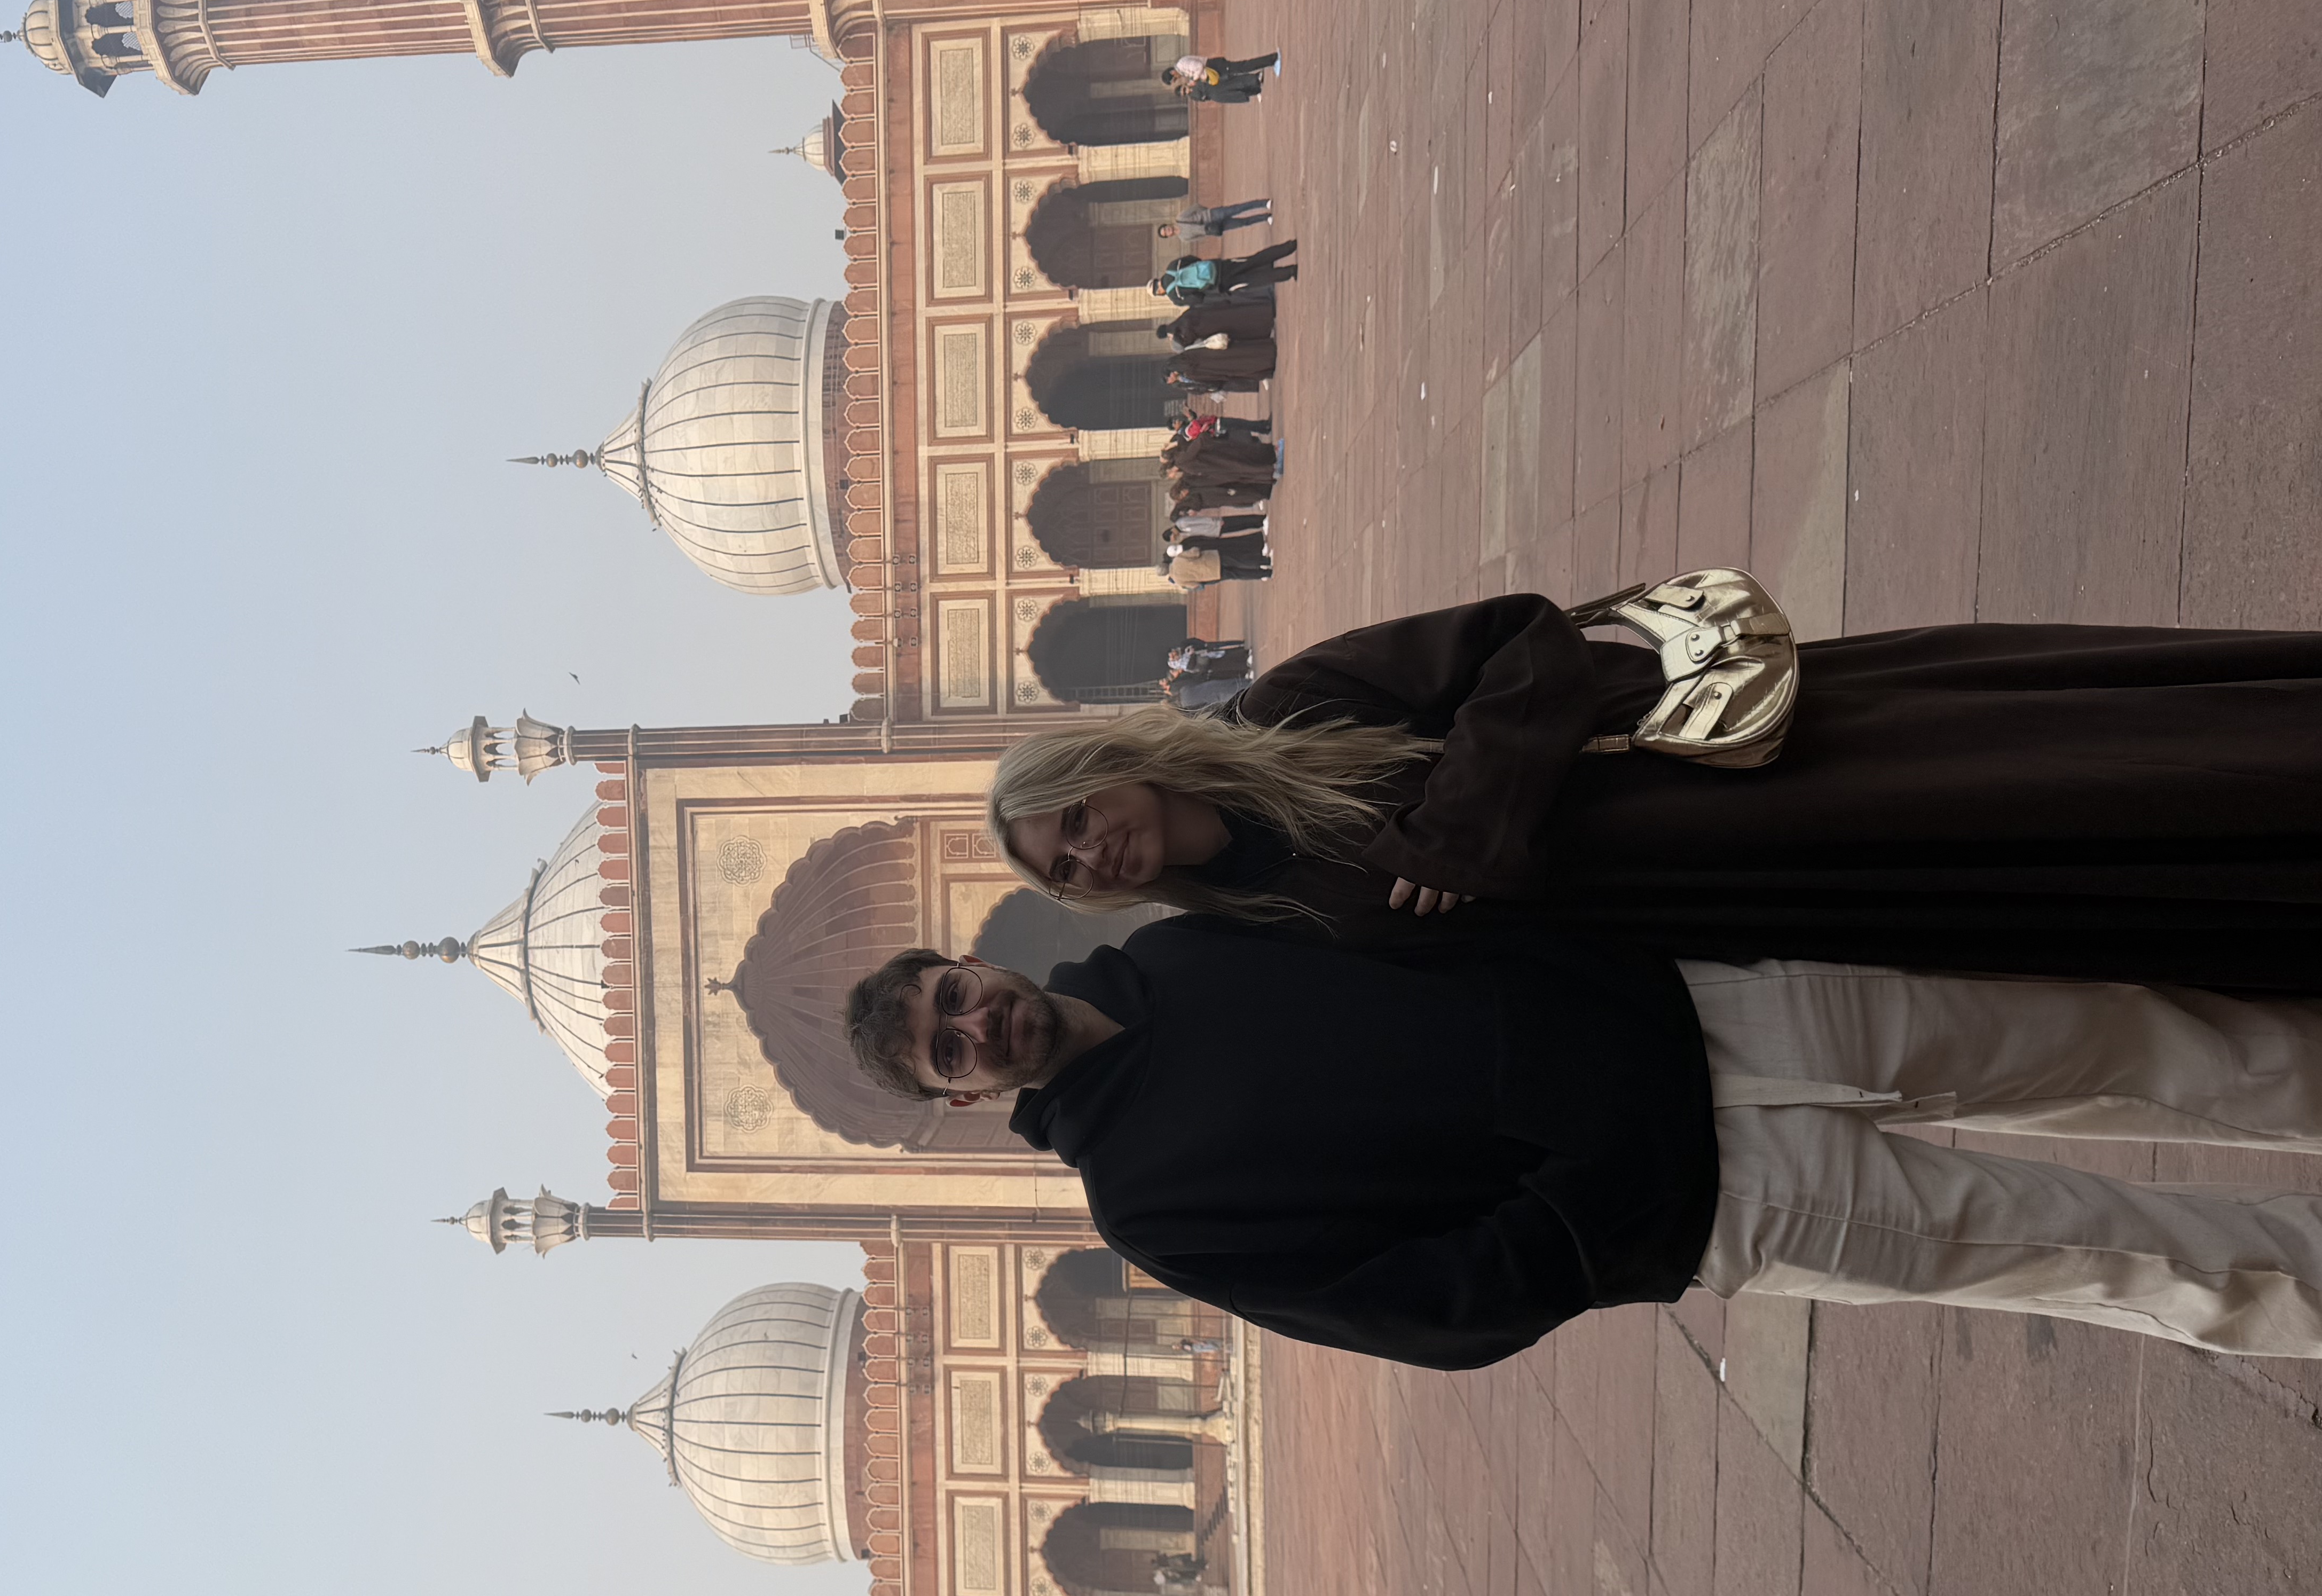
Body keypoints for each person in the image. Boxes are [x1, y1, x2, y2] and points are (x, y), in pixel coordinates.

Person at [839, 934, 2322, 1365]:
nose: (977, 1024)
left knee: (2115, 1036)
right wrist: (1581, 1221)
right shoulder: (1147, 1202)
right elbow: (1402, 1306)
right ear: (965, 1099)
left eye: (954, 993)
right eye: (948, 1048)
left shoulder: (1181, 948)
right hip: (1715, 1197)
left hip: (1719, 1017)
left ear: (974, 959)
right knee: (2130, 1256)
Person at [982, 591, 2322, 993]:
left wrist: (1460, 829)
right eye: (1063, 868)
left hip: (1730, 766)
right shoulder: (1246, 924)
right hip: (1706, 899)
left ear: (1113, 769)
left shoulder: (1294, 715)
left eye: (1076, 820)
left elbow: (1528, 638)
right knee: (2031, 898)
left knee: (2042, 783)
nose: (1088, 855)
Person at [1155, 240, 1299, 301]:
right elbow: (1193, 259)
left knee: (1254, 280)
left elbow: (1197, 299)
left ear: (1160, 292)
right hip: (1219, 266)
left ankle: (1290, 271)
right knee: (1255, 260)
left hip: (1219, 284)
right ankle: (1290, 247)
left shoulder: (1175, 296)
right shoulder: (1172, 266)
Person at [1164, 50, 1281, 103]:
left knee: (1243, 67)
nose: (1178, 79)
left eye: (1175, 78)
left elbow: (1199, 66)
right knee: (1240, 71)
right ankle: (1269, 63)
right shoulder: (1183, 70)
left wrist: (1195, 80)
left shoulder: (1182, 64)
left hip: (1214, 67)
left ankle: (1272, 59)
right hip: (1214, 71)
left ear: (1172, 73)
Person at [1155, 296, 1277, 346]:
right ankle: (1267, 309)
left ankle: (1266, 327)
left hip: (1212, 328)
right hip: (1215, 314)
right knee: (1241, 313)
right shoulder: (1181, 319)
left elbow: (1188, 341)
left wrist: (1176, 338)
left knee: (1242, 328)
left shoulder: (1178, 332)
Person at [1166, 345, 1274, 393]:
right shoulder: (1188, 362)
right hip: (1221, 361)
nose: (1172, 376)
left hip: (1221, 369)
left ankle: (1265, 370)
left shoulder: (1189, 371)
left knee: (1243, 367)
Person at [1159, 199, 1272, 238]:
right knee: (1242, 223)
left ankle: (1264, 204)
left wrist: (1207, 213)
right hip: (1213, 228)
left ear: (1167, 225)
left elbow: (1196, 207)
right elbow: (1199, 237)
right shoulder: (1184, 238)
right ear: (1169, 236)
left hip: (1212, 215)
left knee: (1238, 209)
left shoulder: (1180, 218)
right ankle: (1265, 218)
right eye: (1166, 233)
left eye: (1165, 228)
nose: (1168, 231)